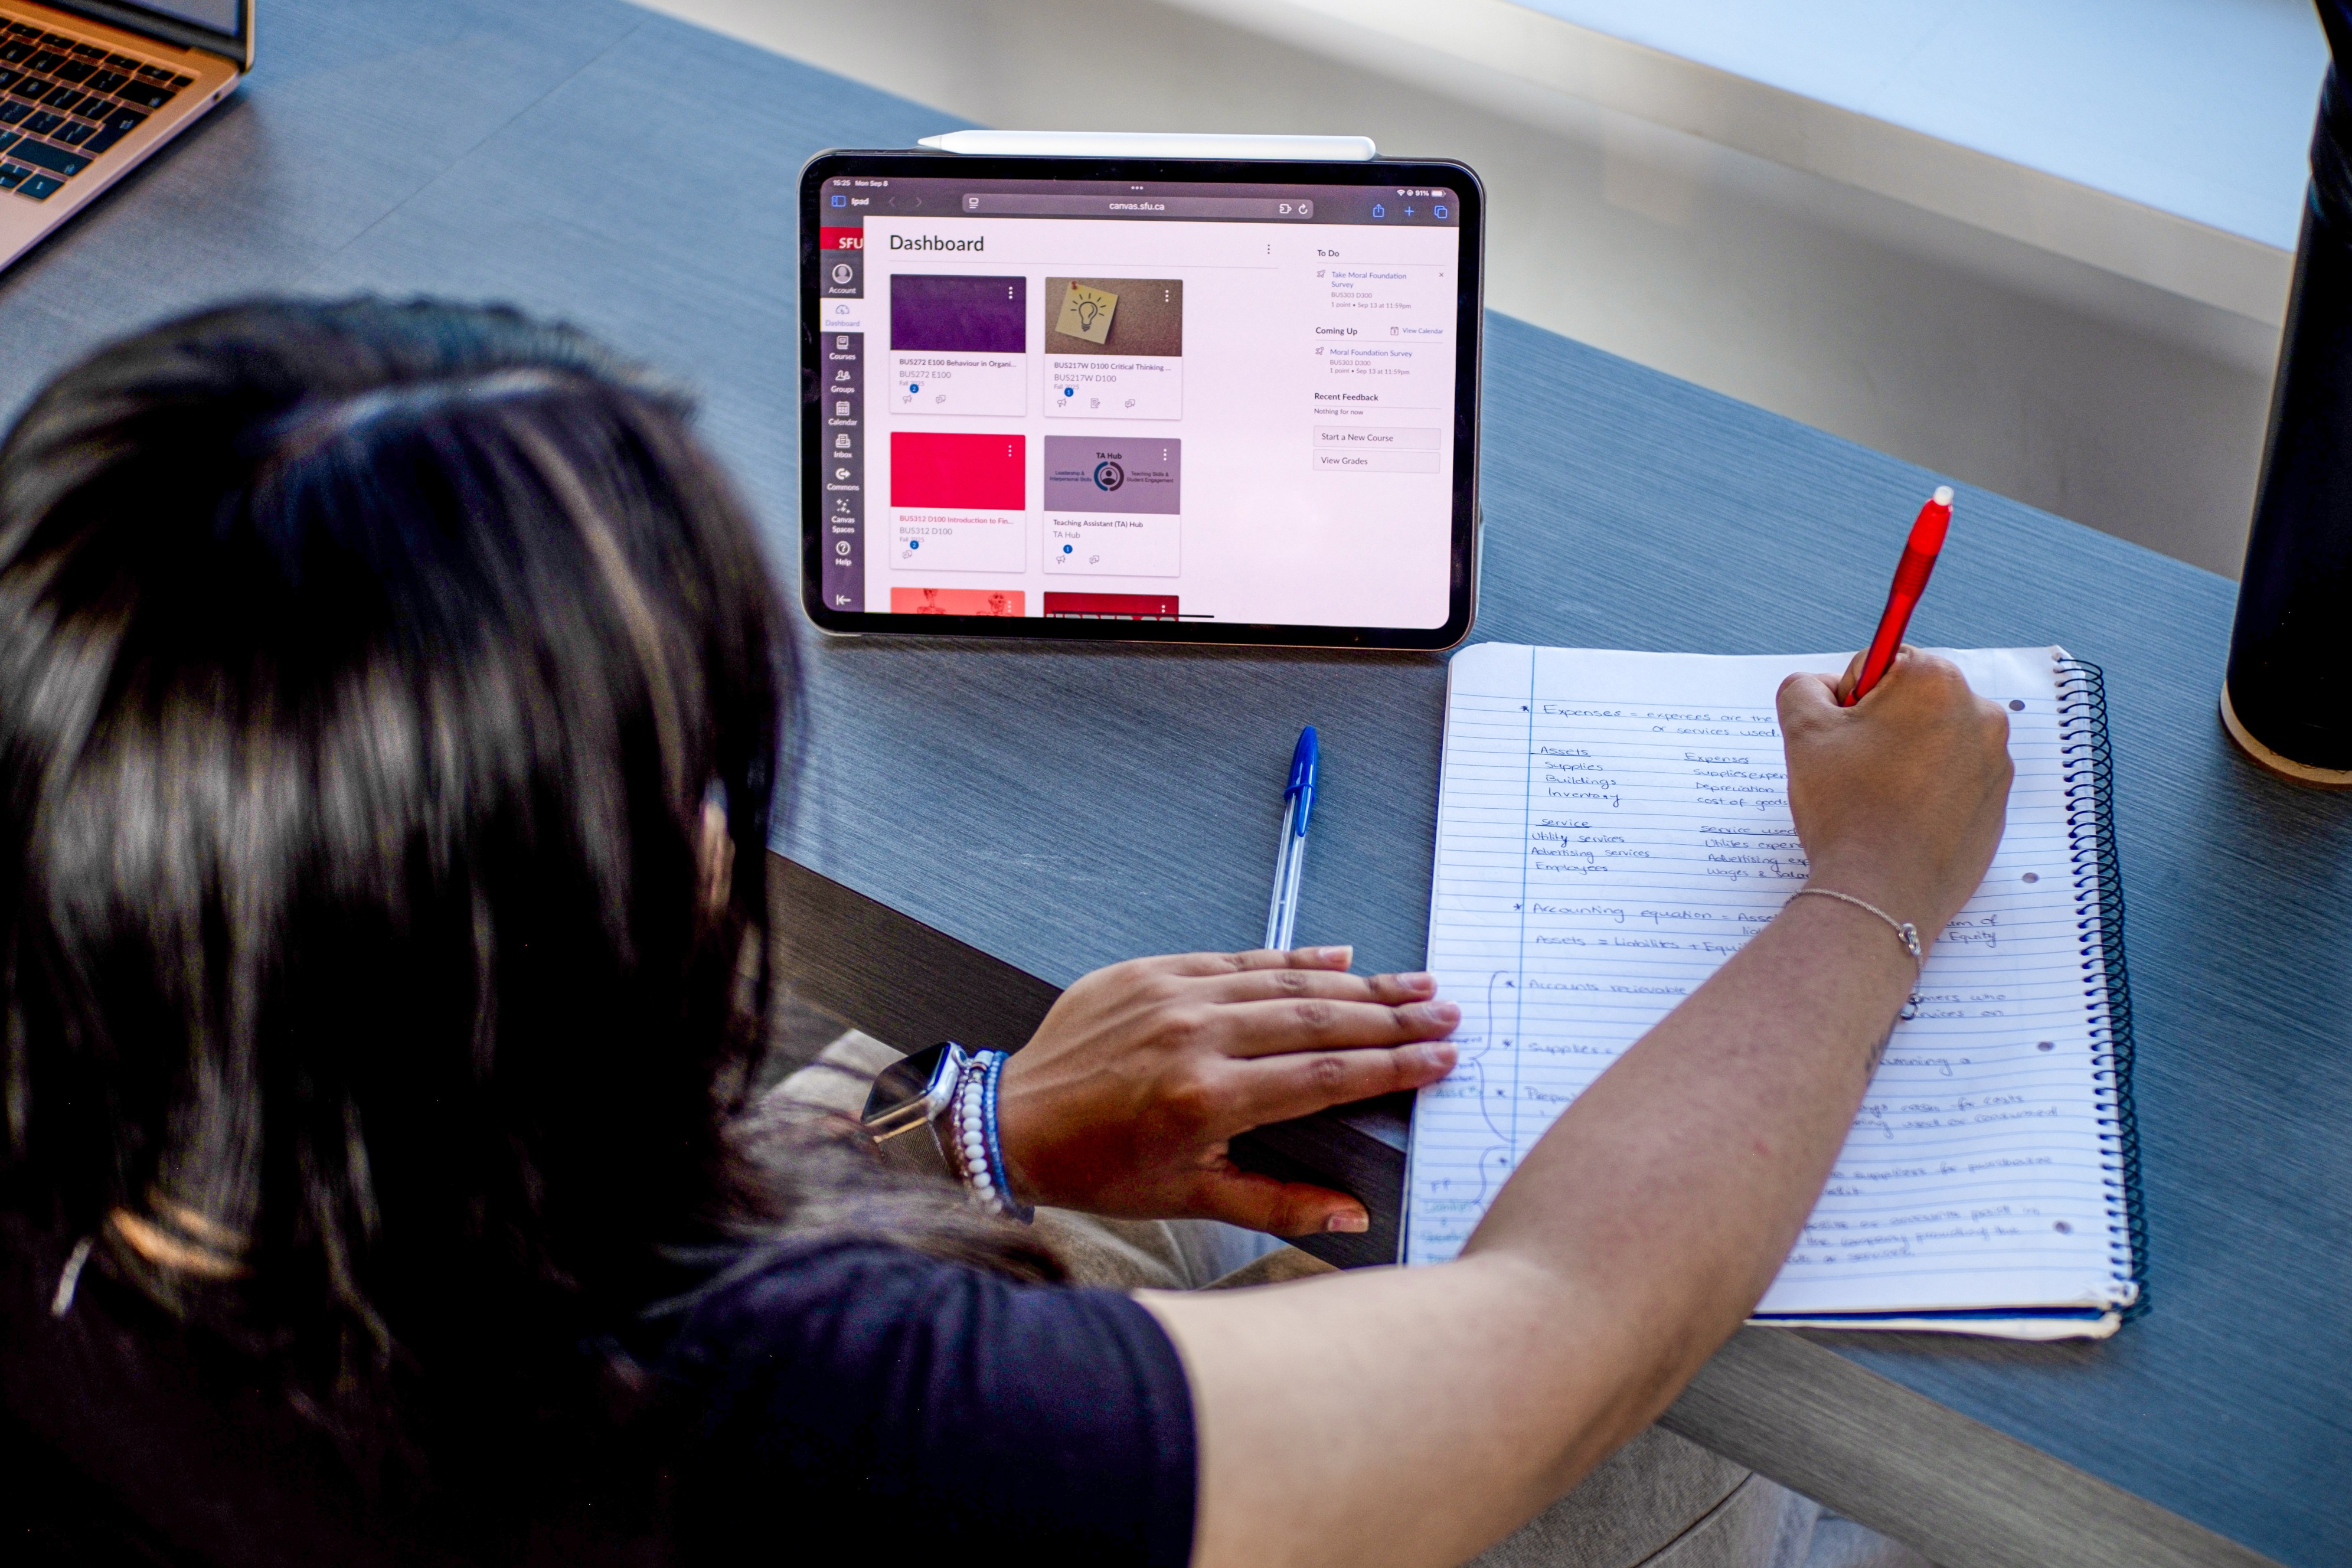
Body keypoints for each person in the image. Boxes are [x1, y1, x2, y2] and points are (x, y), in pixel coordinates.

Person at [0, 299, 2011, 1568]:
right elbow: (1568, 1338)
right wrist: (1872, 888)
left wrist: (961, 1132)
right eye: (701, 798)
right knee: (1695, 1445)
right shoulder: (780, 1416)